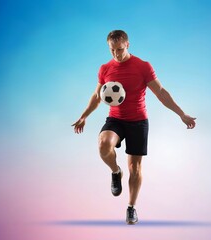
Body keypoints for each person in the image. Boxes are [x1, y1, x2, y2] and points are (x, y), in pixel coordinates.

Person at [72, 30, 196, 225]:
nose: (116, 54)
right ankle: (115, 171)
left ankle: (131, 207)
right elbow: (97, 96)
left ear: (127, 45)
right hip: (116, 119)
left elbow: (161, 92)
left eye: (120, 49)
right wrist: (83, 116)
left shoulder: (143, 66)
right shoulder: (105, 69)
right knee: (103, 145)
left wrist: (182, 114)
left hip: (138, 122)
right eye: (112, 50)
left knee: (135, 168)